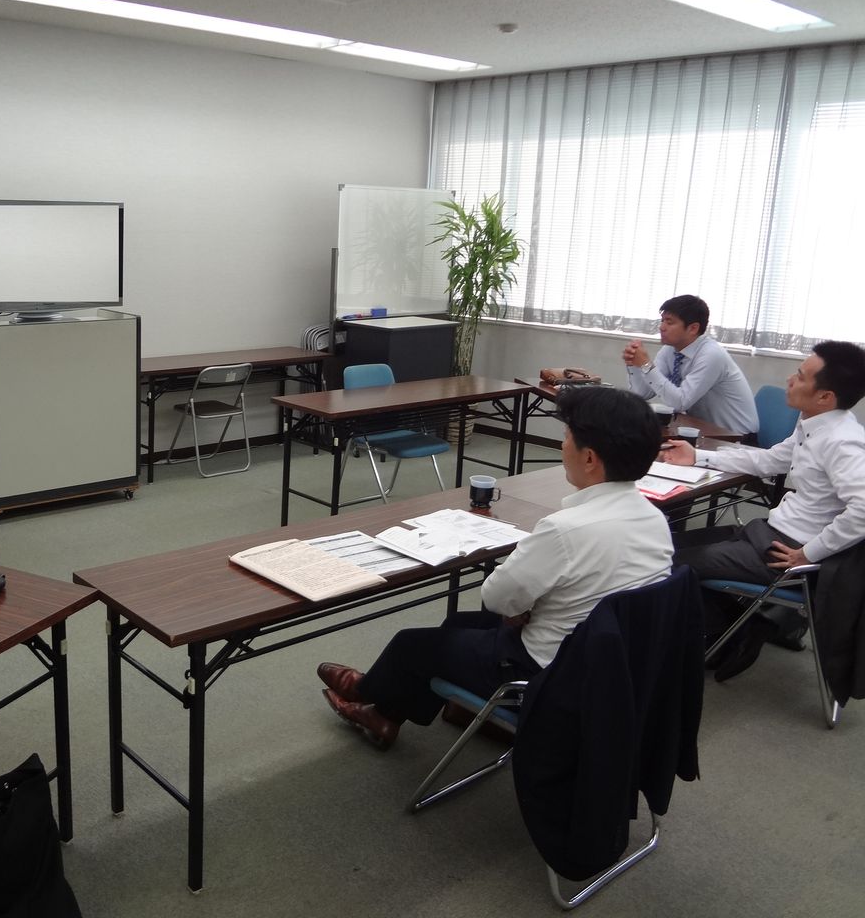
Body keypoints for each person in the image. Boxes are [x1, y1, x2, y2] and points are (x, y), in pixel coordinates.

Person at [317, 388, 673, 749]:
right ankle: (402, 713)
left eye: (567, 437)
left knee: (411, 644)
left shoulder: (566, 529)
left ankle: (367, 693)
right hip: (610, 669)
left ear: (590, 458)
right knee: (458, 625)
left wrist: (521, 608)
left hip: (542, 673)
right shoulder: (654, 520)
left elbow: (496, 598)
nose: (562, 445)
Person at [664, 340, 865, 682]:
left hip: (786, 552)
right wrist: (698, 456)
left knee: (667, 563)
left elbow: (862, 509)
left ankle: (735, 629)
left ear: (824, 397)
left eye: (800, 376)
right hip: (767, 534)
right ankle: (746, 623)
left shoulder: (842, 442)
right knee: (666, 545)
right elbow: (769, 460)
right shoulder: (814, 424)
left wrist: (809, 553)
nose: (790, 379)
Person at [623, 294, 759, 440]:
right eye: (662, 321)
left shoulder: (711, 355)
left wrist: (646, 365)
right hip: (703, 431)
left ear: (693, 328)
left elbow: (680, 402)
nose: (661, 327)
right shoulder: (670, 350)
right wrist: (634, 366)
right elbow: (642, 394)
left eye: (669, 322)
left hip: (736, 438)